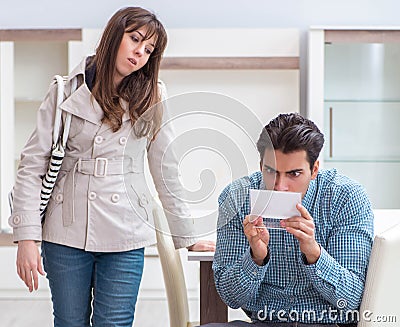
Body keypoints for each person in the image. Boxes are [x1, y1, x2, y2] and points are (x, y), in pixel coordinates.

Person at [9, 7, 214, 327]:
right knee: (69, 322)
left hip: (126, 231)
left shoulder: (153, 96)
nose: (140, 53)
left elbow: (165, 169)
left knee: (115, 322)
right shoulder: (64, 89)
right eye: (135, 40)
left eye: (149, 50)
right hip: (65, 230)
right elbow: (32, 167)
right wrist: (26, 238)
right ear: (113, 35)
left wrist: (186, 235)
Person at [201, 113, 373, 326]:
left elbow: (352, 300)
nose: (280, 185)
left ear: (314, 170)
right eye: (271, 171)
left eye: (294, 174)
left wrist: (313, 252)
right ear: (261, 164)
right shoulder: (237, 197)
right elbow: (231, 299)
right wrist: (256, 257)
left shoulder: (345, 197)